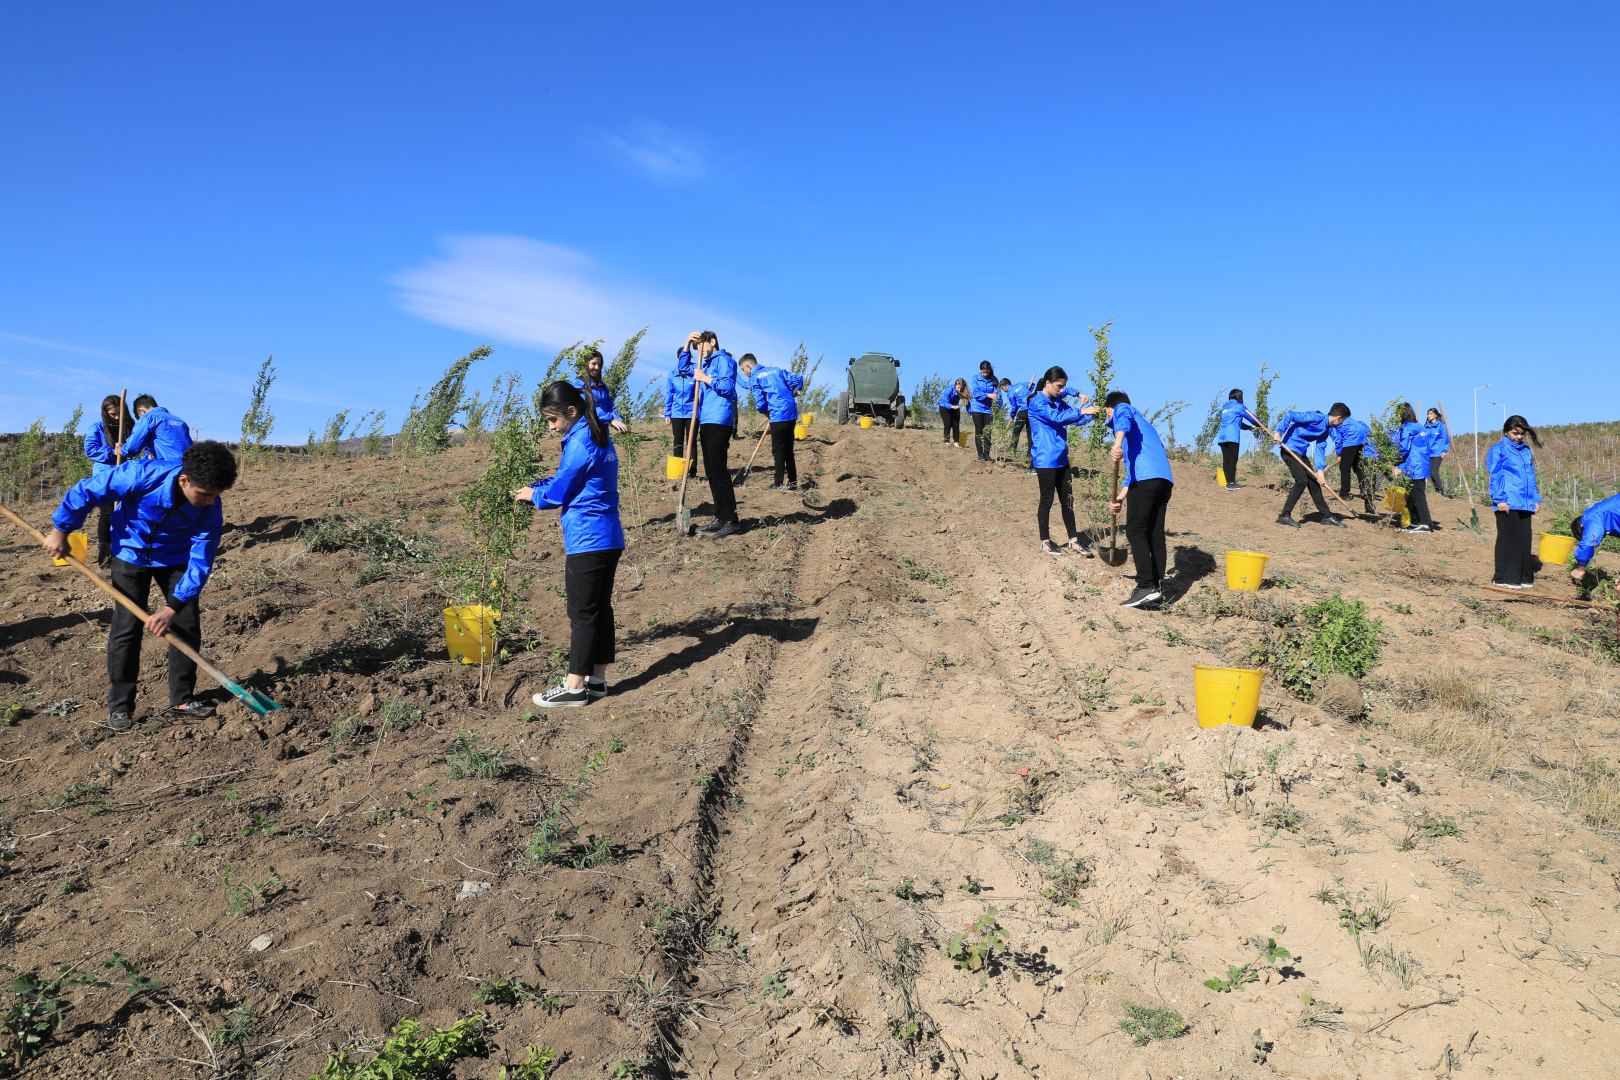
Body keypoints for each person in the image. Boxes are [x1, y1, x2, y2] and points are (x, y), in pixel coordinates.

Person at [43, 441, 237, 732]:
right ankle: (120, 706)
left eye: (215, 496)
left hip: (175, 557)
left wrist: (172, 608)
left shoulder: (210, 506)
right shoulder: (140, 474)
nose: (211, 501)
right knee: (126, 628)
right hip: (130, 553)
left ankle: (182, 700)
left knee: (185, 624)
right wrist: (61, 529)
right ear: (184, 480)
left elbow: (201, 560)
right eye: (206, 494)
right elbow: (88, 490)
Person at [516, 382, 625, 708]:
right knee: (600, 609)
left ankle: (574, 686)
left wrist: (532, 494)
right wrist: (537, 484)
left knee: (581, 613)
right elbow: (569, 477)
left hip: (587, 538)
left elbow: (560, 491)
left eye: (553, 420)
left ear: (572, 412)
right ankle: (598, 681)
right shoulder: (598, 435)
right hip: (608, 535)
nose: (551, 427)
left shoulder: (580, 443)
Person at [1106, 391, 1175, 609]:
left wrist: (1116, 443)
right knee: (1154, 533)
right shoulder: (1145, 429)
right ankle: (1155, 589)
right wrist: (1121, 495)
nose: (1111, 419)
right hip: (1163, 481)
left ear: (1110, 408)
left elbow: (1122, 411)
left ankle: (1145, 585)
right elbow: (1133, 469)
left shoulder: (1123, 410)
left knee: (1135, 530)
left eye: (1109, 414)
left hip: (1146, 480)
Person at [1026, 367, 1098, 555]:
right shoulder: (1036, 402)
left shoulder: (1058, 402)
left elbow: (1074, 419)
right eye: (1059, 386)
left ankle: (1074, 540)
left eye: (1063, 387)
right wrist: (1082, 411)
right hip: (1045, 460)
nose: (1061, 390)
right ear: (1047, 383)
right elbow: (1057, 418)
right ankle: (1045, 540)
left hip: (1061, 459)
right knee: (1047, 500)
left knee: (1068, 501)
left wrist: (1091, 415)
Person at [681, 330, 742, 538]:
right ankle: (721, 516)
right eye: (697, 347)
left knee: (720, 471)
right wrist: (687, 343)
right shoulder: (703, 362)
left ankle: (732, 519)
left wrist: (705, 378)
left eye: (701, 345)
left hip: (719, 420)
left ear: (712, 341)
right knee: (711, 472)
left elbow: (727, 387)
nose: (700, 349)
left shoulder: (724, 361)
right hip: (706, 420)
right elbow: (683, 368)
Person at [1485, 415, 1541, 589]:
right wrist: (1499, 498)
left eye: (1522, 434)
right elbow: (1495, 474)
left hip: (1525, 502)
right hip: (1507, 501)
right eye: (1515, 433)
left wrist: (1535, 498)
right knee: (1508, 539)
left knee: (1524, 540)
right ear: (1506, 431)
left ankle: (1524, 577)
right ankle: (1503, 578)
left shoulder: (1525, 450)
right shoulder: (1499, 449)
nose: (1519, 437)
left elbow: (1530, 476)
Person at [83, 394, 136, 567]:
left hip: (124, 475)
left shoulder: (129, 427)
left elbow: (134, 448)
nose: (117, 417)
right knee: (106, 513)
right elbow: (90, 450)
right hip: (104, 477)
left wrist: (126, 450)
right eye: (113, 414)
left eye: (120, 413)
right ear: (105, 413)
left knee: (125, 512)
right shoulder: (97, 428)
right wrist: (112, 452)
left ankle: (124, 551)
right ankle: (105, 556)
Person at [1272, 408, 1347, 529]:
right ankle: (1284, 516)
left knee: (1313, 483)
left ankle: (1326, 516)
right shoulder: (1316, 417)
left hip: (1300, 453)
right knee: (1302, 481)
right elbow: (1291, 415)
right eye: (1342, 421)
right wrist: (1279, 431)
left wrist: (1320, 471)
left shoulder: (1326, 430)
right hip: (1289, 448)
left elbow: (1320, 450)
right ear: (1339, 418)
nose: (1341, 424)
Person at [740, 354, 805, 489]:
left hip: (778, 414)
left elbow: (760, 404)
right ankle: (793, 482)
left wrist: (768, 413)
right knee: (788, 449)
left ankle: (778, 483)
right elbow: (798, 378)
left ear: (748, 366)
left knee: (778, 450)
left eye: (743, 370)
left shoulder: (755, 378)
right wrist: (798, 389)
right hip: (791, 413)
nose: (744, 373)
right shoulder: (776, 370)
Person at [1392, 403, 1436, 532]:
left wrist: (1400, 466)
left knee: (1417, 495)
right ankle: (1415, 522)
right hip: (1422, 464)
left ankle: (1426, 524)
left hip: (1413, 465)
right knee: (1411, 495)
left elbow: (1404, 449)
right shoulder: (1420, 427)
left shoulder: (1407, 428)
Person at [1327, 403, 1377, 514]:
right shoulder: (1349, 420)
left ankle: (1344, 493)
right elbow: (1363, 425)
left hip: (1351, 438)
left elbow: (1338, 439)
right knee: (1357, 466)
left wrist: (1340, 454)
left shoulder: (1331, 424)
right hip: (1362, 438)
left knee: (1344, 466)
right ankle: (1364, 491)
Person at [571, 349, 629, 435]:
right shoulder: (578, 386)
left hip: (602, 433)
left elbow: (610, 406)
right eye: (594, 364)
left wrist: (618, 420)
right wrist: (610, 419)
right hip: (585, 432)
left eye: (599, 364)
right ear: (585, 364)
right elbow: (588, 408)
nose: (597, 367)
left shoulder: (602, 387)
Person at [120, 394, 194, 462]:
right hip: (188, 466)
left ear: (141, 411)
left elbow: (132, 447)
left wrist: (122, 450)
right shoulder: (181, 421)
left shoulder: (148, 417)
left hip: (169, 467)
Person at [1570, 493, 1620, 591]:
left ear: (1581, 528)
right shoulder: (1597, 511)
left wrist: (1580, 568)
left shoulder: (1592, 517)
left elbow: (1589, 542)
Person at [664, 351, 698, 478]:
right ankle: (679, 471)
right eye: (684, 357)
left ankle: (692, 471)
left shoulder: (695, 373)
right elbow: (670, 395)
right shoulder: (672, 375)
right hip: (676, 412)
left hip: (692, 413)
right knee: (678, 440)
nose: (687, 360)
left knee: (691, 441)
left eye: (689, 357)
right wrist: (667, 414)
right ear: (679, 358)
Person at [1216, 390, 1255, 489]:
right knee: (1233, 459)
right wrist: (1259, 424)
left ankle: (1228, 483)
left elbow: (1237, 422)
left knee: (1226, 459)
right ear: (1239, 397)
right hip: (1232, 436)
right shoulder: (1239, 406)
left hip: (1222, 436)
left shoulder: (1225, 407)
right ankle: (1231, 483)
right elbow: (1252, 418)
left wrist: (1249, 427)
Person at [968, 361, 999, 462]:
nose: (985, 374)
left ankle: (987, 454)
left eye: (986, 372)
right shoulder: (975, 378)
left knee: (988, 432)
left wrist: (998, 406)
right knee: (979, 431)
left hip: (988, 409)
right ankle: (980, 454)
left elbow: (998, 395)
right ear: (980, 371)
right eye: (983, 372)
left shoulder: (994, 381)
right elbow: (976, 393)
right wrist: (988, 395)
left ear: (990, 370)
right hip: (977, 407)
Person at [1005, 375, 1034, 461]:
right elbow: (1032, 384)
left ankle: (1011, 451)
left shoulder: (1010, 392)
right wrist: (1028, 392)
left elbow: (1014, 406)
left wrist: (1012, 415)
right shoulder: (1021, 384)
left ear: (1006, 386)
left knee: (1016, 431)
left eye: (1003, 389)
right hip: (1032, 411)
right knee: (1030, 434)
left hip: (1023, 412)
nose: (1004, 391)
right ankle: (1029, 455)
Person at [1424, 408, 1452, 497]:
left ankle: (1441, 490)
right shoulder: (1425, 427)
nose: (1429, 415)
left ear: (1435, 415)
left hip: (1437, 452)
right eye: (1428, 414)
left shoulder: (1441, 426)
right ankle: (1437, 491)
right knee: (1429, 472)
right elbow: (1422, 439)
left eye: (1431, 414)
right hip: (1428, 453)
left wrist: (1444, 450)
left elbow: (1445, 439)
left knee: (1434, 472)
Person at [937, 378, 967, 447]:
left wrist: (970, 411)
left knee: (956, 425)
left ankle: (956, 442)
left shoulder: (963, 391)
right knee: (948, 424)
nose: (959, 390)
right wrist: (952, 406)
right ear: (955, 385)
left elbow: (967, 400)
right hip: (944, 407)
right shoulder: (949, 390)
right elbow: (944, 401)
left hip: (955, 407)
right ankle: (947, 441)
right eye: (958, 388)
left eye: (961, 388)